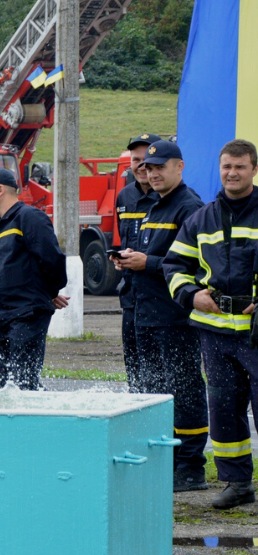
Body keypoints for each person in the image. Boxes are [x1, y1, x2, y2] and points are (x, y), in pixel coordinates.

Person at [164, 139, 258, 507]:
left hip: (254, 332)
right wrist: (191, 295)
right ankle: (237, 483)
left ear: (253, 169)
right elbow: (174, 266)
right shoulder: (201, 218)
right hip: (215, 333)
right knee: (222, 408)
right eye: (226, 167)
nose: (232, 173)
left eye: (240, 167)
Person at [116, 140, 208, 492]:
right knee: (152, 390)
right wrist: (128, 260)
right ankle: (164, 458)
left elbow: (195, 267)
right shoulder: (154, 205)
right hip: (144, 311)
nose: (152, 173)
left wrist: (146, 263)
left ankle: (191, 466)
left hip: (174, 316)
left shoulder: (190, 208)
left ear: (179, 167)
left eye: (160, 167)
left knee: (184, 390)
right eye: (149, 168)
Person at [0, 168, 68, 390]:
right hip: (2, 314)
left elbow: (52, 260)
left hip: (26, 313)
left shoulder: (29, 217)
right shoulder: (1, 225)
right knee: (6, 385)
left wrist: (50, 292)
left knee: (23, 383)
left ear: (0, 189)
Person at [113, 133, 161, 393]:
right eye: (136, 160)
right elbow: (125, 240)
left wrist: (147, 262)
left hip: (161, 300)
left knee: (160, 373)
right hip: (131, 297)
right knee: (134, 369)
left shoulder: (172, 198)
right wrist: (120, 259)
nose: (142, 166)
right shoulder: (124, 197)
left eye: (148, 160)